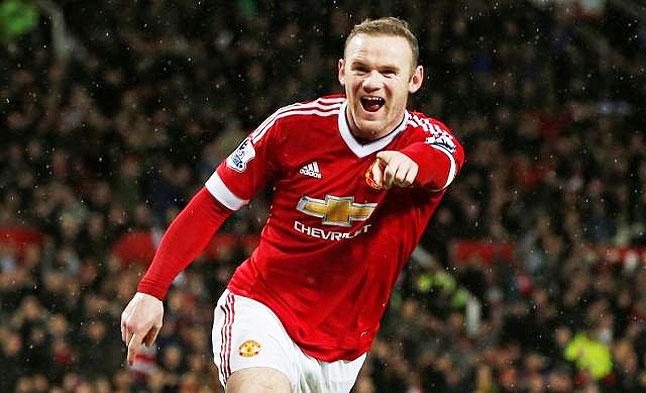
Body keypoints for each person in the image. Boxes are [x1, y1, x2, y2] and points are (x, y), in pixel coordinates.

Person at [121, 17, 465, 393]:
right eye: (361, 68)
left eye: (388, 72)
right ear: (342, 71)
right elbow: (211, 205)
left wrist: (412, 163)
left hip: (345, 350)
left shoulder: (429, 140)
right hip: (263, 310)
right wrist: (151, 290)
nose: (372, 82)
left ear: (414, 80)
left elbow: (444, 161)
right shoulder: (292, 128)